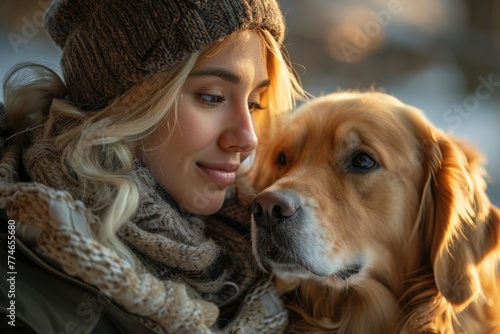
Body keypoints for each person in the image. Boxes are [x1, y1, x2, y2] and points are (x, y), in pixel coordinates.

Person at [0, 0, 305, 333]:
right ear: (125, 106)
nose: (248, 139)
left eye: (254, 103)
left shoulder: (256, 257)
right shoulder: (17, 297)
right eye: (212, 96)